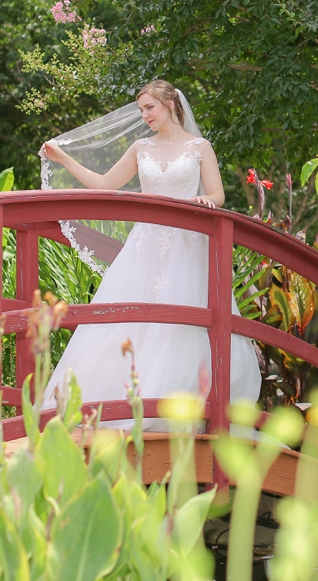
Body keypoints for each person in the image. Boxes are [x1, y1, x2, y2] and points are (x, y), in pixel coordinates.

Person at [38, 79, 262, 425]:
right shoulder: (141, 148)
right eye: (142, 109)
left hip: (188, 246)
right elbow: (103, 185)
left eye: (149, 108)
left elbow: (217, 196)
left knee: (183, 322)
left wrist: (203, 200)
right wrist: (63, 157)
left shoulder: (200, 147)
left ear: (171, 105)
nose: (145, 116)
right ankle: (112, 407)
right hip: (146, 248)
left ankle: (182, 408)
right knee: (133, 320)